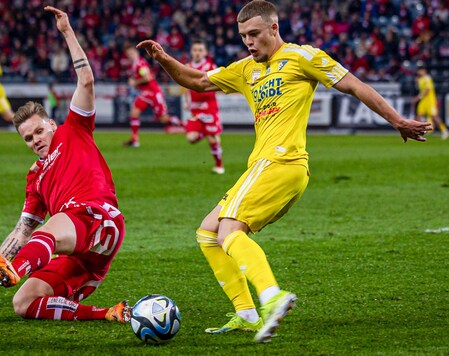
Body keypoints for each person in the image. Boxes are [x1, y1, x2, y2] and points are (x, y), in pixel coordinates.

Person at [137, 0, 432, 343]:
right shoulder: (246, 69)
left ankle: (272, 297)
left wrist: (397, 121)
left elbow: (354, 85)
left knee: (230, 229)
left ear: (274, 29)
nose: (249, 42)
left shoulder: (303, 57)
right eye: (243, 36)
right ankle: (247, 313)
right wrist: (162, 58)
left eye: (254, 34)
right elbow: (198, 80)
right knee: (208, 232)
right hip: (264, 166)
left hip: (282, 161)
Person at [0, 6, 130, 325]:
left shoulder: (74, 128)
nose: (35, 139)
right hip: (86, 258)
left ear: (51, 124)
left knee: (56, 222)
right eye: (27, 137)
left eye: (38, 131)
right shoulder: (34, 179)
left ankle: (15, 270)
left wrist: (66, 31)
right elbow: (22, 232)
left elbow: (86, 80)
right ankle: (109, 314)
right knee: (23, 302)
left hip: (99, 218)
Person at [123, 45, 183, 148]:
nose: (130, 56)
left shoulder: (140, 64)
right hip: (146, 94)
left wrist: (135, 82)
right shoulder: (134, 65)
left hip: (154, 93)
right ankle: (134, 139)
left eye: (132, 53)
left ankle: (185, 125)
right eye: (128, 55)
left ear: (136, 53)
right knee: (134, 112)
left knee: (163, 119)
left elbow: (148, 77)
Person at [184, 40, 225, 174]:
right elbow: (184, 85)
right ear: (191, 51)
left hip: (209, 107)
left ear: (205, 52)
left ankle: (219, 165)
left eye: (200, 50)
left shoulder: (210, 66)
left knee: (212, 137)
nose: (197, 52)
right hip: (195, 109)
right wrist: (186, 100)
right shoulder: (187, 67)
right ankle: (205, 132)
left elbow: (218, 84)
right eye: (195, 50)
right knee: (191, 139)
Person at [414, 62, 449, 140]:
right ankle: (417, 132)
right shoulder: (420, 79)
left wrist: (419, 97)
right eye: (419, 70)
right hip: (424, 101)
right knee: (419, 115)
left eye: (421, 70)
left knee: (434, 116)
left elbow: (427, 90)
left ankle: (444, 130)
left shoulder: (427, 78)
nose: (419, 72)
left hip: (430, 101)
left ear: (424, 71)